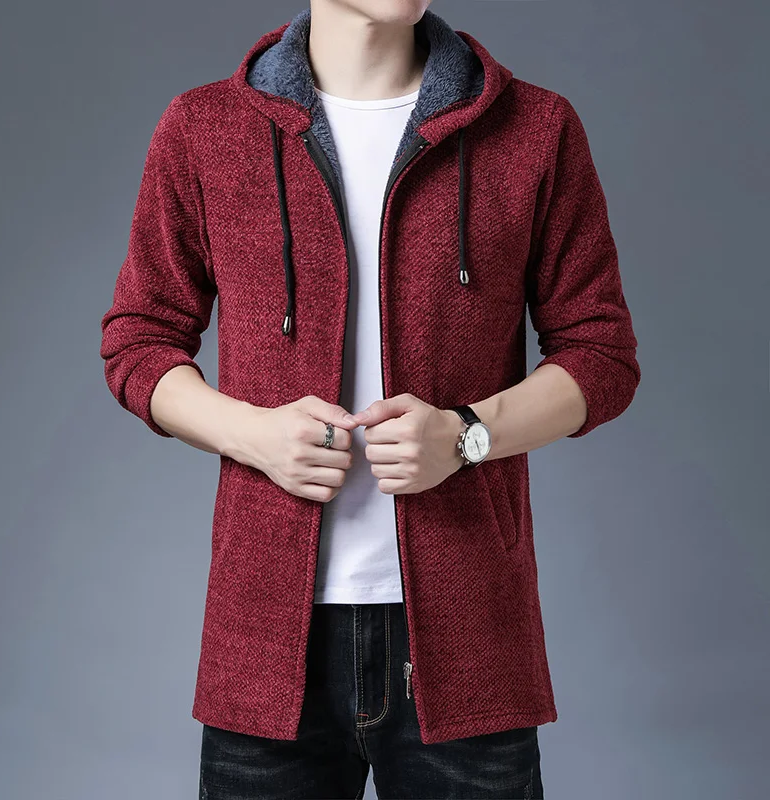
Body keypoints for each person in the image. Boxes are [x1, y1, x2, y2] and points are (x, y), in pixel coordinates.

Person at [100, 1, 640, 797]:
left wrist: (466, 435)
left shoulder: (535, 129)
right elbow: (139, 340)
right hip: (265, 645)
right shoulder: (205, 129)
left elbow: (601, 354)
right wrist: (251, 434)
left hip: (469, 640)